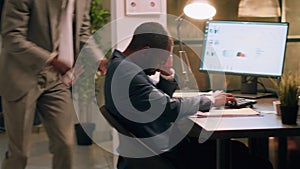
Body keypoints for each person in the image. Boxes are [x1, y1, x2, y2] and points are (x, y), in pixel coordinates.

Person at [104, 22, 273, 169]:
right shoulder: (127, 73)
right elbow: (168, 107)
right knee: (251, 160)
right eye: (161, 58)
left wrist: (167, 74)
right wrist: (211, 100)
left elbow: (154, 100)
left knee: (236, 150)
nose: (162, 62)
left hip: (153, 151)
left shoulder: (120, 65)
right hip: (166, 155)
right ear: (147, 51)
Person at [0, 0, 107, 169]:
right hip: (21, 76)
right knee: (19, 153)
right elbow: (12, 37)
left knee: (65, 144)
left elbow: (82, 33)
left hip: (56, 79)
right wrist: (51, 60)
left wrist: (100, 60)